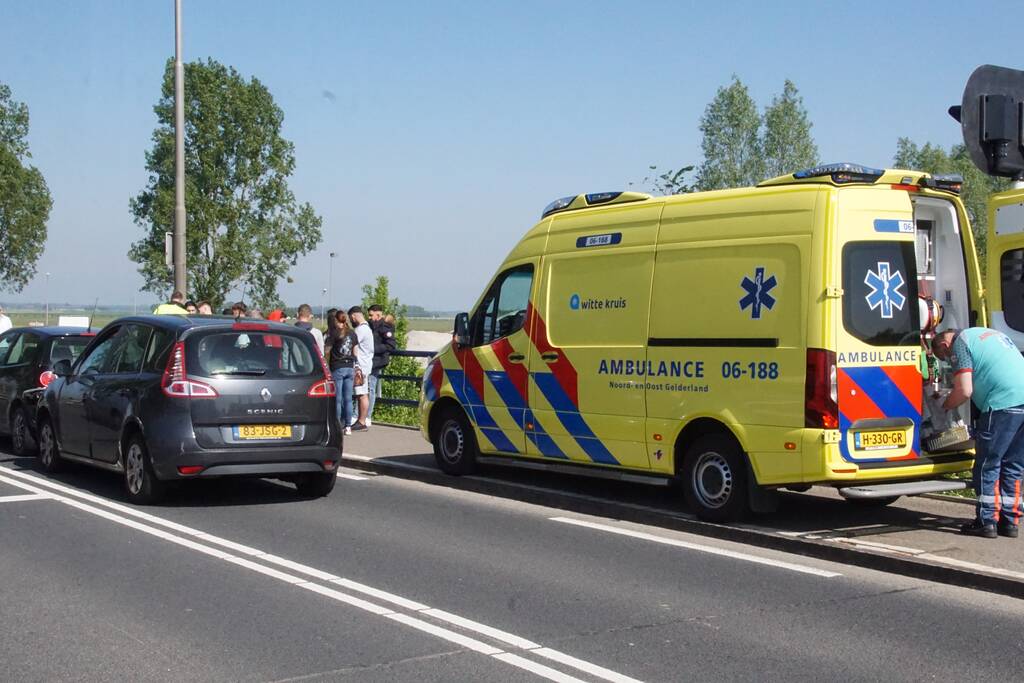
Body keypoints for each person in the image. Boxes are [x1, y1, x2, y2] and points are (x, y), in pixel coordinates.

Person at [933, 327, 1024, 539]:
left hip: (1002, 404)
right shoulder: (988, 334)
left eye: (945, 358)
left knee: (987, 464)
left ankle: (986, 522)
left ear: (945, 346)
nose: (949, 362)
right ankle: (1010, 522)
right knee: (1013, 465)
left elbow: (964, 390)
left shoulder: (960, 344)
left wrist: (944, 406)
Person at [325, 310, 358, 435]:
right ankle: (348, 426)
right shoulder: (353, 334)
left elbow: (327, 351)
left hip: (337, 368)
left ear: (336, 321)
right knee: (348, 399)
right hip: (350, 367)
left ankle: (337, 424)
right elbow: (355, 353)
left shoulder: (334, 333)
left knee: (337, 399)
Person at [367, 304, 398, 424]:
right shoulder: (368, 326)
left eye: (371, 315)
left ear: (378, 314)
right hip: (369, 360)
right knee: (364, 389)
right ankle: (362, 414)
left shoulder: (385, 327)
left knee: (370, 388)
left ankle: (368, 416)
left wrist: (373, 349)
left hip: (377, 361)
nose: (369, 317)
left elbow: (391, 345)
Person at [348, 306, 375, 431]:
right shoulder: (367, 329)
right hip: (365, 365)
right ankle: (361, 419)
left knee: (362, 393)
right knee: (362, 393)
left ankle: (362, 420)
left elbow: (350, 343)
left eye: (351, 318)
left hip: (361, 367)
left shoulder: (360, 330)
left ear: (354, 316)